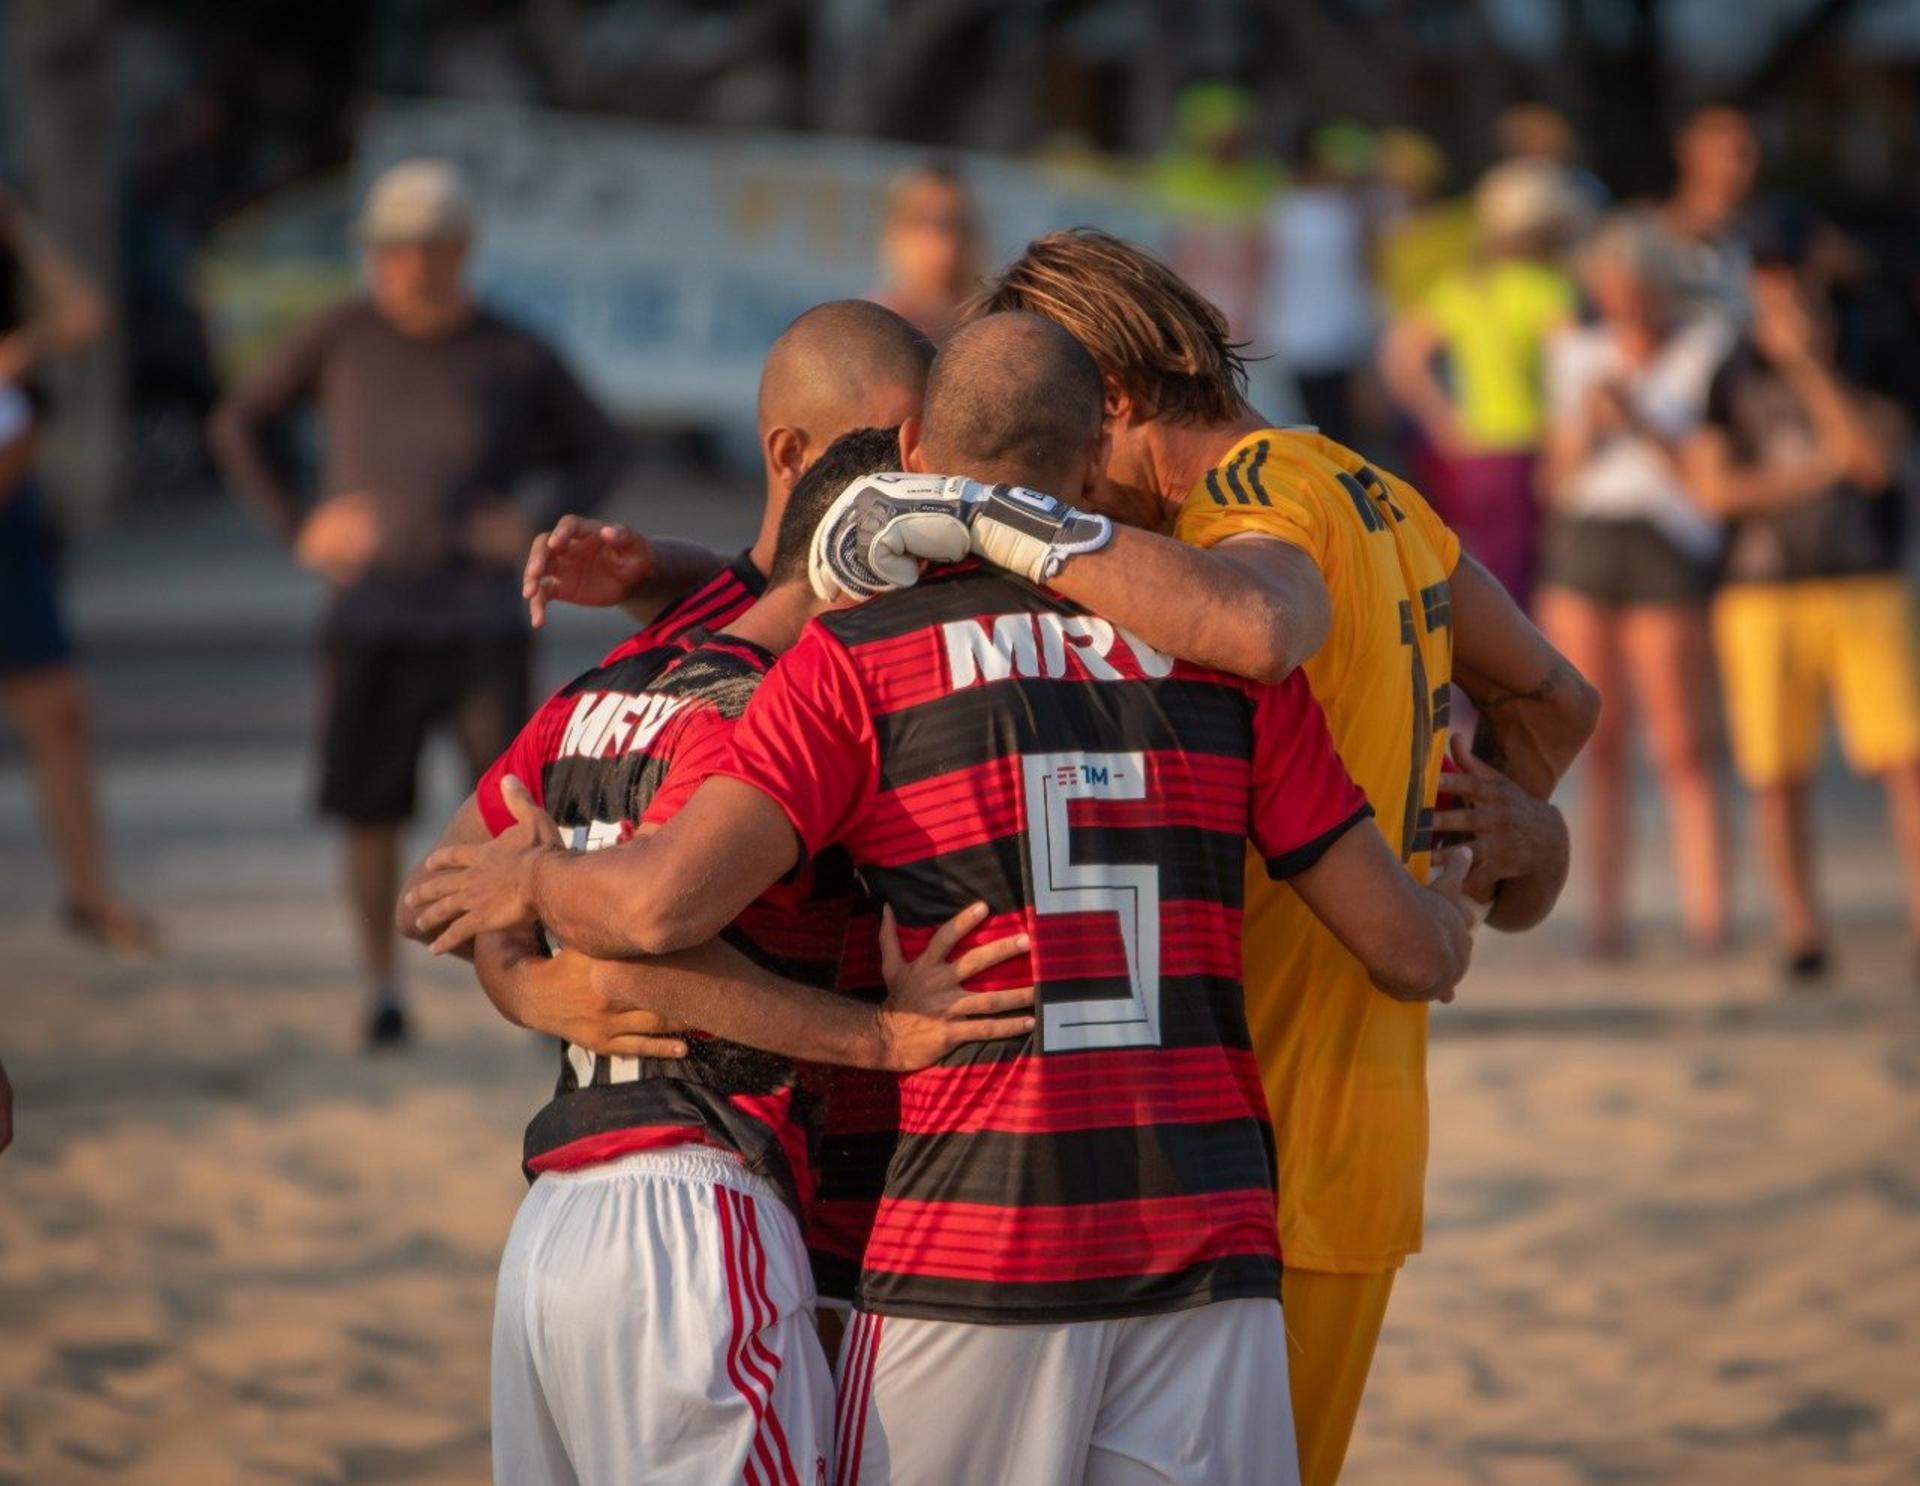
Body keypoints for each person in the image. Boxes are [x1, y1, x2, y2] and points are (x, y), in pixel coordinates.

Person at [408, 312, 1481, 1486]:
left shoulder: (859, 659)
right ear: (1087, 467)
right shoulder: (1234, 672)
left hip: (967, 1240)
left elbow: (660, 907)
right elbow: (1414, 954)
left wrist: (536, 887)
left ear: (913, 450)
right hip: (1206, 1238)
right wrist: (1476, 869)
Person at [947, 228, 1596, 1486]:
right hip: (1349, 1142)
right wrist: (1493, 848)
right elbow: (1558, 698)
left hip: (1264, 1154)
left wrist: (987, 517)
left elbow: (1254, 622)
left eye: (1063, 439)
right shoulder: (1374, 487)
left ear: (1119, 402)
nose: (1063, 483)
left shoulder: (1256, 501)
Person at [399, 428, 1037, 1486]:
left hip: (555, 1218)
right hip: (698, 1209)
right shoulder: (767, 718)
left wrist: (518, 978)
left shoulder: (610, 682)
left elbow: (442, 885)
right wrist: (883, 1033)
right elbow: (639, 952)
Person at [207, 158, 631, 1047]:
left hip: (481, 619)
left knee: (514, 809)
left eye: (418, 249)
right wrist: (300, 527)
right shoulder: (342, 334)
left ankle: (533, 986)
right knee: (370, 808)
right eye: (385, 249)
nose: (398, 266)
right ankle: (380, 987)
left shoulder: (510, 349)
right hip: (372, 616)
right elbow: (238, 423)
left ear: (459, 251)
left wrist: (532, 522)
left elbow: (602, 444)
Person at [1682, 215, 1920, 981]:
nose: (1780, 293)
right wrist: (1821, 470)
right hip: (1760, 592)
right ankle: (1802, 931)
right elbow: (1716, 491)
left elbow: (1876, 462)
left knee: (1905, 760)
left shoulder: (1872, 350)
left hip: (1862, 580)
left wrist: (1812, 369)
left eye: (1793, 275)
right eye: (1768, 275)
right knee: (1775, 773)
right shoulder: (1728, 370)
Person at [1539, 210, 1735, 957]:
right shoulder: (1577, 354)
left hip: (1667, 541)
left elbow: (1709, 478)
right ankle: (1605, 917)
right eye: (1612, 291)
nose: (1624, 305)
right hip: (1590, 538)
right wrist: (1590, 425)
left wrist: (1643, 421)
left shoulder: (1706, 351)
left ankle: (1708, 914)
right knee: (1602, 740)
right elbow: (1555, 480)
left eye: (1638, 291)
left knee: (1684, 741)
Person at [0, 186, 155, 952]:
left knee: (59, 712)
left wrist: (21, 226)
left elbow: (87, 313)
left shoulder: (13, 322)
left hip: (13, 537)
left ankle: (90, 894)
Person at [1381, 159, 1588, 608]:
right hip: (1530, 448)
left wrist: (1442, 422)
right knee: (1527, 587)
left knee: (1485, 576)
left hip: (1472, 453)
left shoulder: (1462, 287)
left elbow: (1400, 356)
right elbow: (1574, 377)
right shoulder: (1549, 288)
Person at [1258, 123, 1380, 447]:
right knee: (1337, 433)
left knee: (1316, 431)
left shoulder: (1280, 206)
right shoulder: (1345, 211)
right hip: (1328, 336)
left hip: (1306, 336)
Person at [1662, 103, 1762, 324]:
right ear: (1684, 148)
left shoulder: (1777, 228)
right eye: (1718, 140)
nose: (1732, 161)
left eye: (1743, 148)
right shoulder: (1636, 233)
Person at [868, 161, 979, 344]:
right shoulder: (881, 326)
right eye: (921, 219)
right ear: (894, 232)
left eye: (954, 221)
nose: (940, 237)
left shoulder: (991, 322)